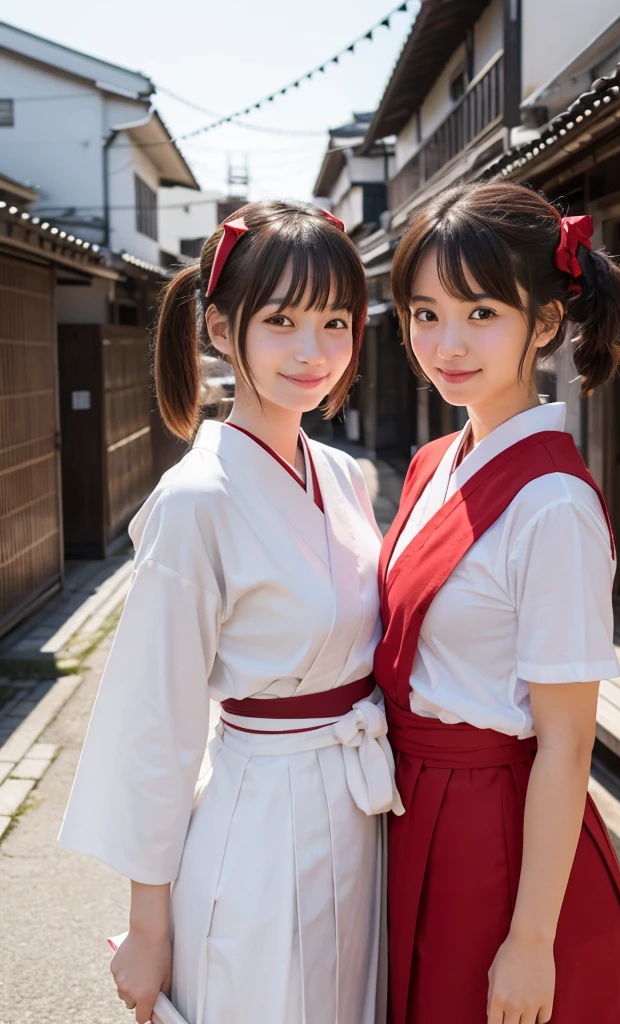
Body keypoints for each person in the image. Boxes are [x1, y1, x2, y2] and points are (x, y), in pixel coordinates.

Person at [59, 200, 403, 1024]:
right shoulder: (196, 500)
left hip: (361, 814)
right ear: (220, 327)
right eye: (280, 321)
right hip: (261, 811)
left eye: (334, 322)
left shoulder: (345, 476)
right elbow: (157, 721)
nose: (312, 352)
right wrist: (150, 928)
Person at [374, 181, 620, 1024]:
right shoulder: (433, 463)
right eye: (425, 314)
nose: (447, 343)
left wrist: (532, 941)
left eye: (481, 313)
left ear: (542, 324)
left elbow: (568, 743)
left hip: (496, 833)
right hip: (411, 805)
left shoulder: (554, 507)